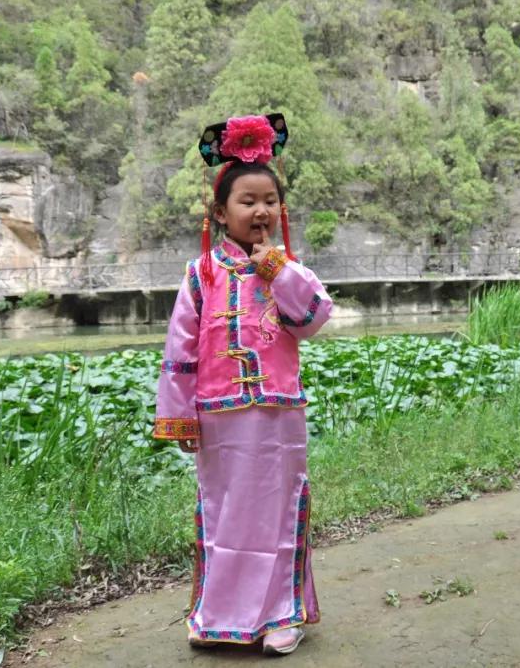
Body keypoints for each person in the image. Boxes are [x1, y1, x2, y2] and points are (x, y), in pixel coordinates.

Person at [153, 113, 331, 656]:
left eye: (270, 201)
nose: (261, 211)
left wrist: (277, 269)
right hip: (219, 417)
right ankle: (217, 616)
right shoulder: (200, 274)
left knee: (278, 512)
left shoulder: (288, 269)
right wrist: (179, 417)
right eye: (248, 201)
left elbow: (313, 318)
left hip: (278, 415)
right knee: (224, 513)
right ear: (220, 212)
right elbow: (180, 351)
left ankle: (281, 615)